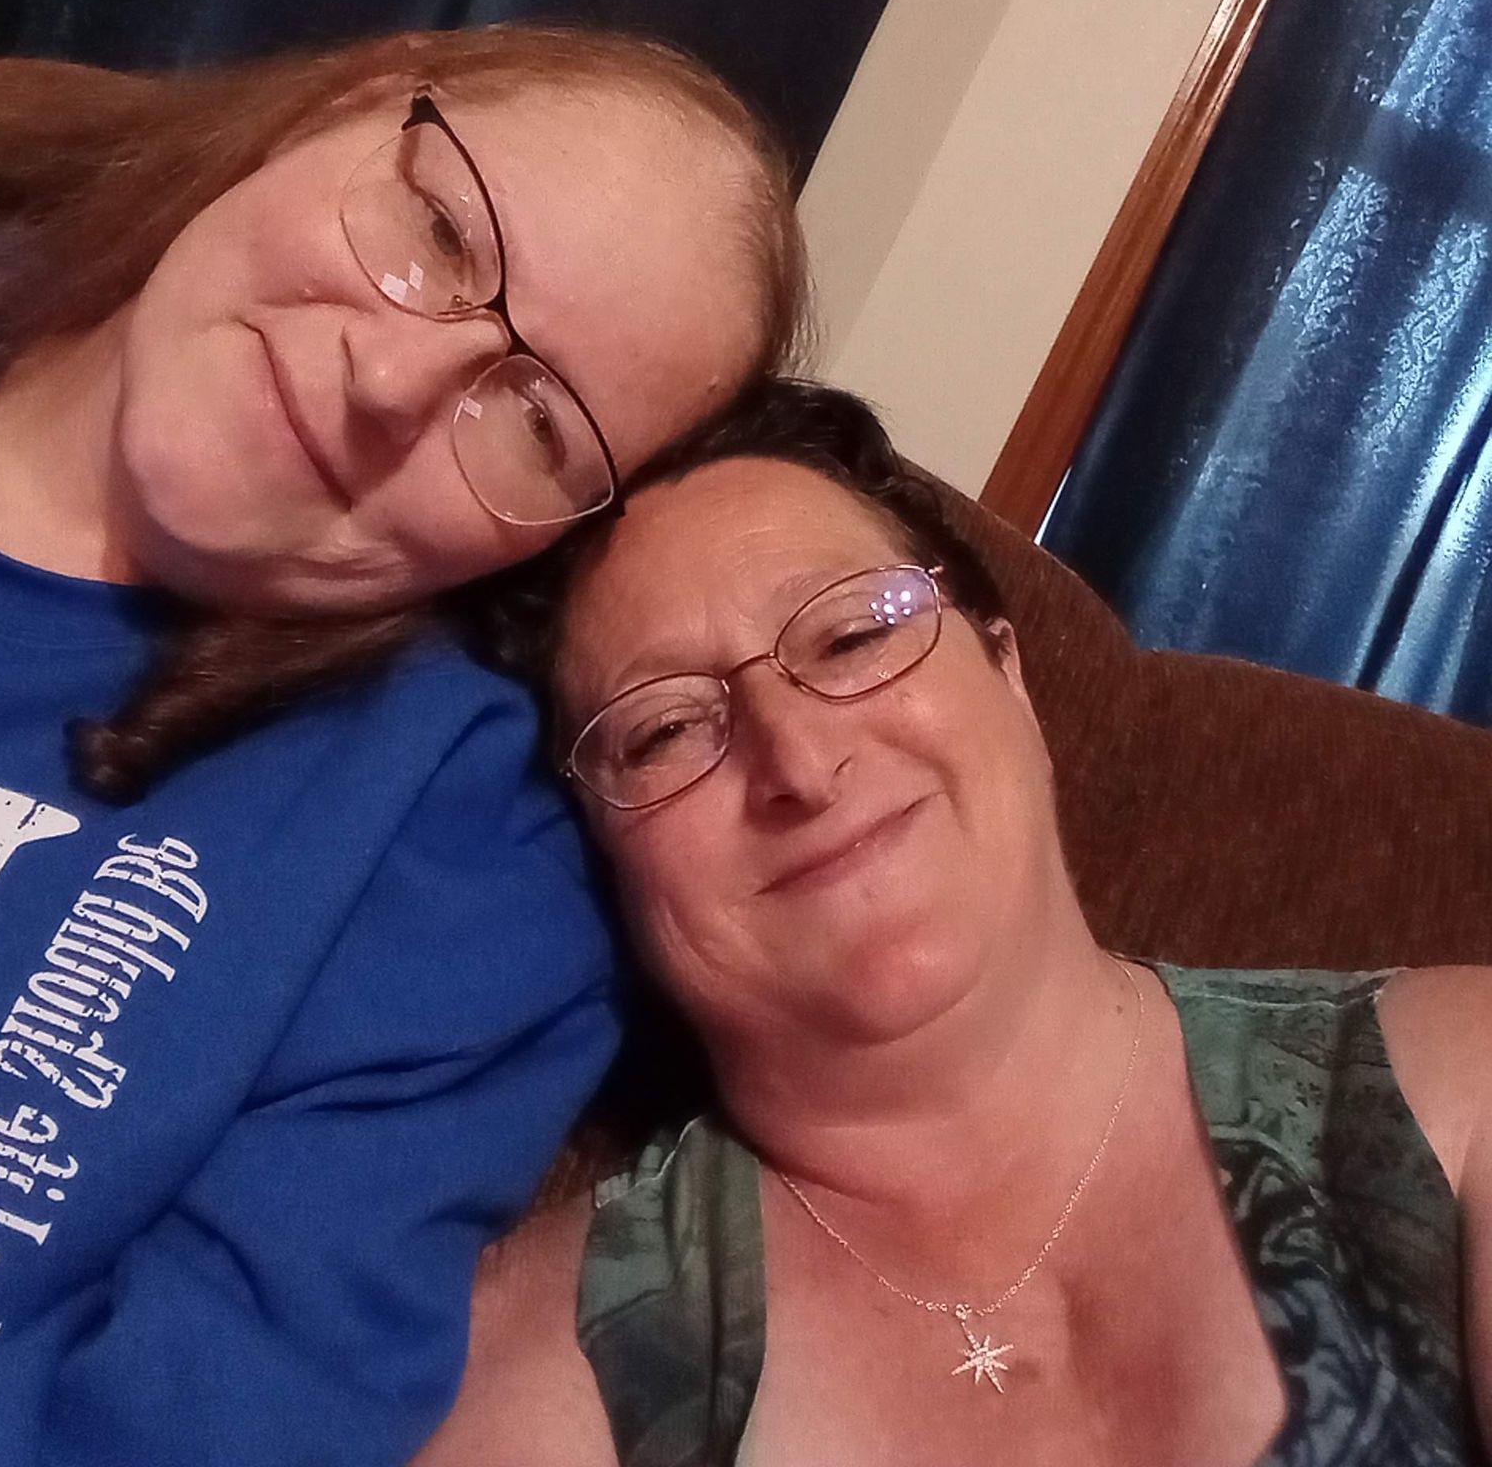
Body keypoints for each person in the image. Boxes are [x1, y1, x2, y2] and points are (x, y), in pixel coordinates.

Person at [0, 23, 807, 1467]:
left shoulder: (457, 856)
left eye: (535, 423)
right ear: (360, 95)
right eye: (440, 231)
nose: (390, 381)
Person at [421, 379, 1492, 1467]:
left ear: (1009, 673)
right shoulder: (540, 1381)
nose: (800, 761)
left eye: (850, 636)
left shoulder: (1458, 1087)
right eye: (664, 730)